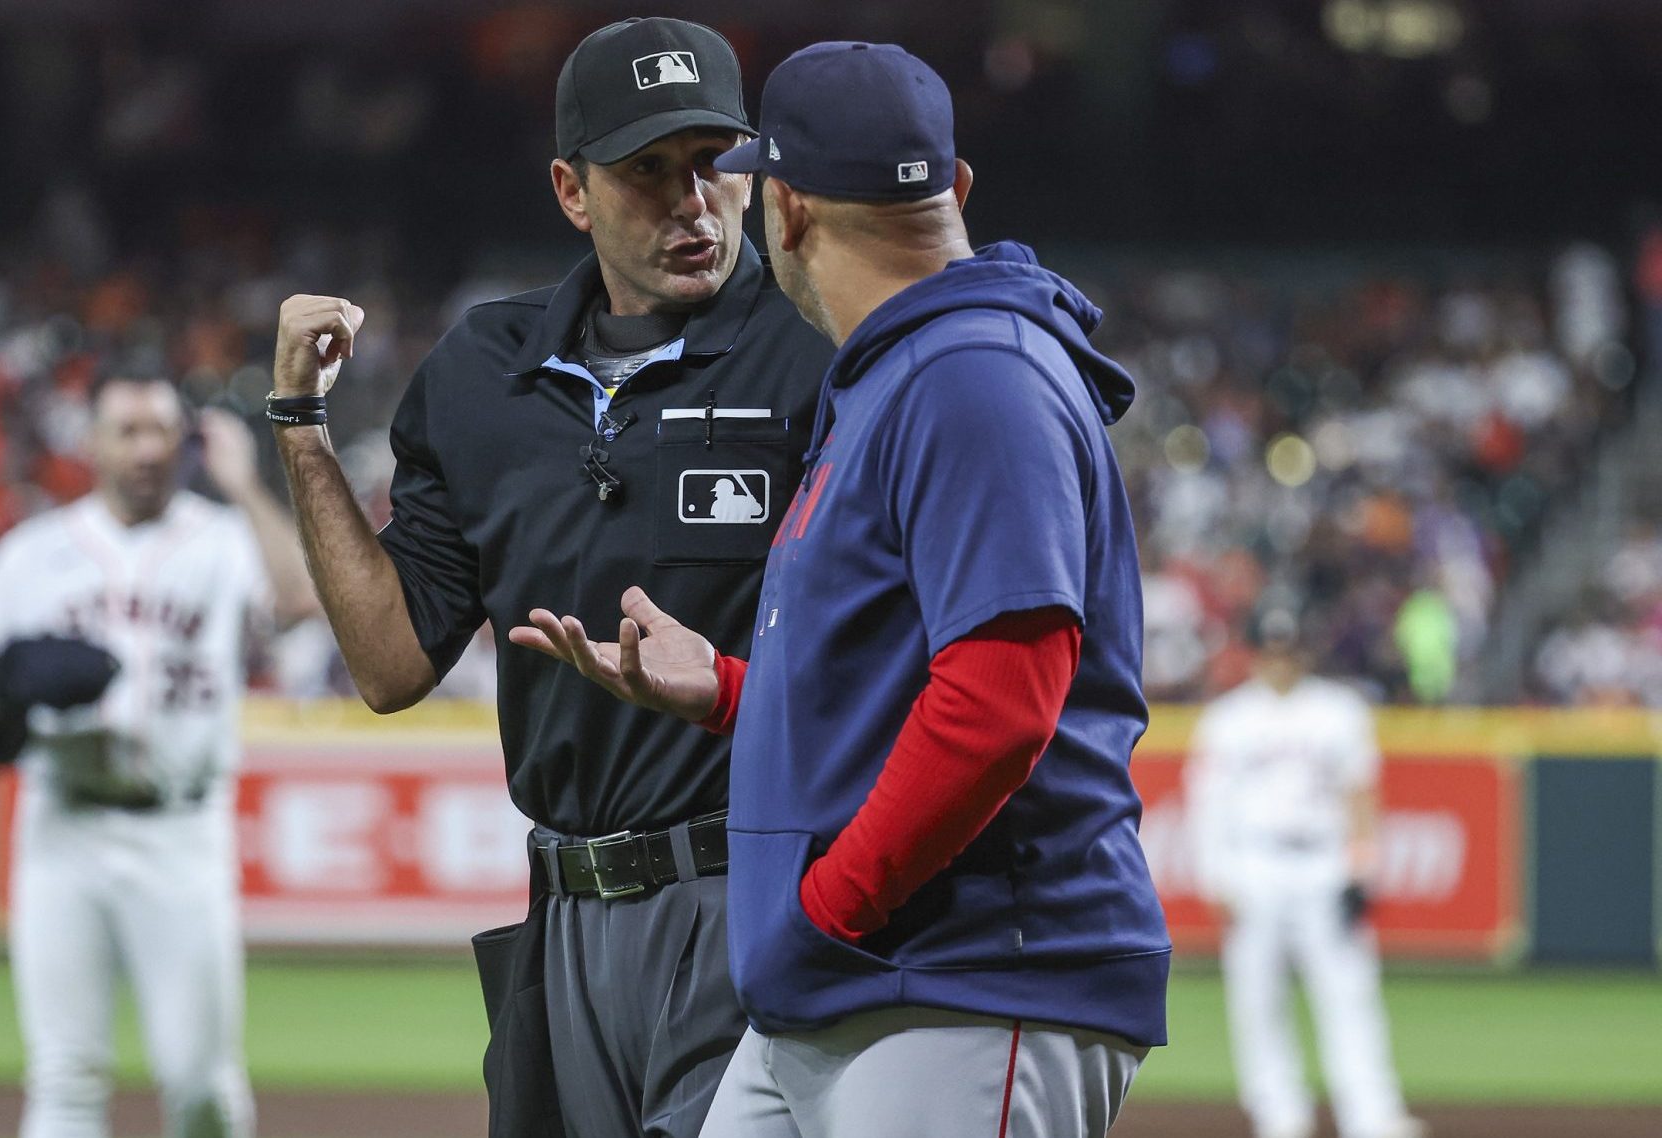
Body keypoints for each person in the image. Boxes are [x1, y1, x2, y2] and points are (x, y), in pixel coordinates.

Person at [512, 41, 1167, 1138]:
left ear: (787, 208)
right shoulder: (908, 372)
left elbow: (1002, 697)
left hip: (964, 980)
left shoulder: (973, 373)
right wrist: (727, 689)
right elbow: (890, 679)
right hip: (852, 989)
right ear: (954, 189)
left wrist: (831, 908)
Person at [265, 17, 832, 1138]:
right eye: (647, 171)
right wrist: (300, 429)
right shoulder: (480, 375)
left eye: (713, 162)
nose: (692, 200)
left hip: (750, 893)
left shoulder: (813, 354)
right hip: (564, 912)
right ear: (572, 192)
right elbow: (387, 664)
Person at [0, 375, 319, 1138]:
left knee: (201, 1082)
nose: (148, 448)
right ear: (92, 443)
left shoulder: (222, 536)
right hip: (62, 829)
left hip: (180, 827)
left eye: (162, 431)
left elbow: (301, 597)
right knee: (65, 1076)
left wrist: (244, 484)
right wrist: (11, 691)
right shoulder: (33, 553)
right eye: (128, 430)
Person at [1186, 610, 1427, 1138]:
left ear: (1305, 651)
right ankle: (1280, 1116)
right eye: (1272, 648)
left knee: (1349, 993)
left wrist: (1362, 869)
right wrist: (1215, 877)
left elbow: (1360, 792)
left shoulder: (1339, 711)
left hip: (1323, 862)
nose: (1281, 658)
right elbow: (1206, 805)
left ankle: (1371, 1113)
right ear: (1256, 652)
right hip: (1254, 864)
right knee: (1257, 1000)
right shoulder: (1227, 719)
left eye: (1289, 647)